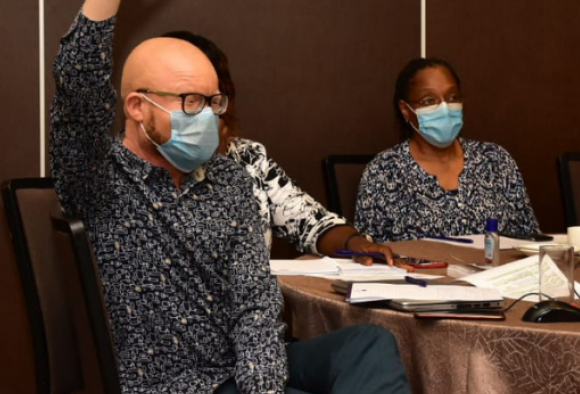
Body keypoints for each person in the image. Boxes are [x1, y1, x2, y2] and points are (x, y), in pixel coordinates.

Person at [51, 0, 410, 394]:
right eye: (190, 101)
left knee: (368, 344)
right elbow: (76, 98)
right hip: (169, 386)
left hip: (240, 378)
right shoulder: (98, 180)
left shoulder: (228, 179)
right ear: (136, 107)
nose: (209, 117)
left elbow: (255, 304)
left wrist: (262, 389)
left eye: (213, 101)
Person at [161, 30, 405, 266]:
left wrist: (355, 243)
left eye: (214, 100)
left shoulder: (249, 157)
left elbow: (311, 221)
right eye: (191, 100)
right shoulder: (133, 169)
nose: (205, 112)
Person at [355, 57, 541, 242]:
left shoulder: (495, 160)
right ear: (405, 109)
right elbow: (369, 252)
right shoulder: (384, 171)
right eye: (429, 101)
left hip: (495, 270)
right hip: (418, 271)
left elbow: (530, 239)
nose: (444, 108)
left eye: (452, 97)